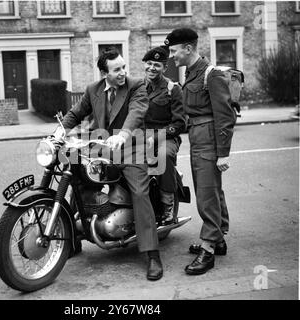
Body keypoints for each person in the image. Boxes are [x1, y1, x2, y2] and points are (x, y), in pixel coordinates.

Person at [52, 47, 163, 281]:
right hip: (103, 149)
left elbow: (137, 113)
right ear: (104, 73)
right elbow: (75, 113)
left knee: (140, 193)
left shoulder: (136, 85)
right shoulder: (94, 89)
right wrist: (58, 133)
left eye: (123, 67)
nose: (122, 72)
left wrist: (122, 136)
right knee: (76, 175)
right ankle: (74, 239)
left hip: (132, 149)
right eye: (116, 69)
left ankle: (152, 254)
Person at [164, 28, 236, 275]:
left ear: (188, 48)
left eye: (174, 51)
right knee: (213, 190)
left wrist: (223, 153)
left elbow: (225, 115)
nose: (172, 56)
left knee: (206, 194)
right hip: (198, 137)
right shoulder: (192, 73)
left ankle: (208, 249)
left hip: (208, 139)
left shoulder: (210, 74)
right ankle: (219, 239)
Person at [142, 46, 187, 225]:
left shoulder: (172, 88)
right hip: (142, 137)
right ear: (145, 65)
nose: (152, 68)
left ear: (165, 68)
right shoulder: (138, 88)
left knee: (163, 156)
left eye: (157, 65)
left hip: (167, 137)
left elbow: (180, 123)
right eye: (150, 64)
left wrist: (158, 136)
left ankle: (168, 205)